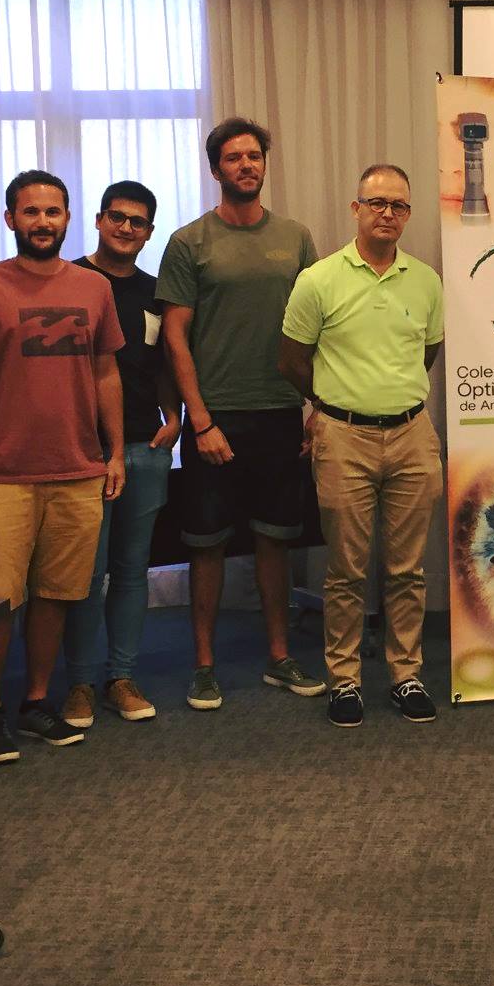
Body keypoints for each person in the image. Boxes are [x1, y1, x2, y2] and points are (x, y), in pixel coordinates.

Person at [0, 170, 126, 764]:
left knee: (57, 594)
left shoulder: (94, 287)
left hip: (78, 468)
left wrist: (114, 452)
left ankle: (36, 701)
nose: (42, 222)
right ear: (10, 219)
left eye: (52, 212)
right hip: (0, 471)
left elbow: (106, 374)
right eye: (30, 212)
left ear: (68, 218)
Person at [159, 117, 324, 712]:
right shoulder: (189, 242)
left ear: (264, 163)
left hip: (279, 412)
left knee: (275, 540)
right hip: (216, 419)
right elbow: (174, 338)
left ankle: (279, 657)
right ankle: (203, 667)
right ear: (216, 169)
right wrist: (199, 421)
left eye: (254, 156)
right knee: (206, 544)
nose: (246, 165)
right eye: (233, 157)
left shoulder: (296, 238)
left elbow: (317, 328)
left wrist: (317, 407)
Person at [279, 164, 445, 728]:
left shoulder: (425, 281)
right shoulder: (318, 280)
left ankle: (406, 674)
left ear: (408, 214)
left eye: (398, 205)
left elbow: (426, 353)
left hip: (411, 434)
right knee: (346, 570)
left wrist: (389, 395)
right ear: (356, 209)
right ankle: (344, 680)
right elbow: (291, 361)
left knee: (407, 569)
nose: (387, 214)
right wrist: (329, 405)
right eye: (377, 203)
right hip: (343, 436)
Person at [61, 181, 183, 728]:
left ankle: (121, 677)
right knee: (86, 575)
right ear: (98, 220)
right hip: (82, 454)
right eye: (117, 217)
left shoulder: (157, 294)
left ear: (149, 232)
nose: (126, 228)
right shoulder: (68, 281)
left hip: (145, 447)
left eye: (138, 221)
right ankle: (79, 684)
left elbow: (164, 365)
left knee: (134, 571)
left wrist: (174, 416)